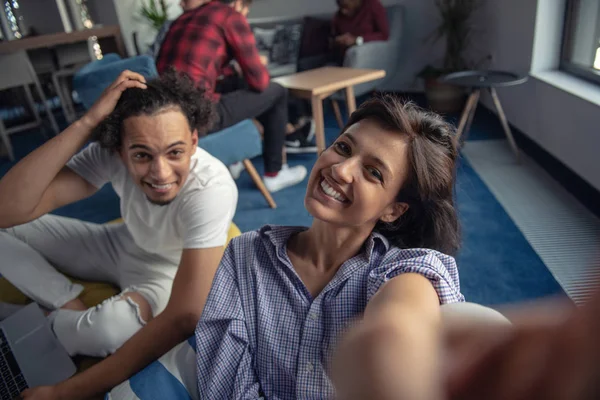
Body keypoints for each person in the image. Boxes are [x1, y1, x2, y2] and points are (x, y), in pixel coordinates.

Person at [194, 95, 465, 398]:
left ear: (394, 210)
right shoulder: (244, 254)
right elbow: (225, 387)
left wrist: (398, 342)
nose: (341, 170)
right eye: (343, 148)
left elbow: (406, 320)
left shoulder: (403, 273)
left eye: (373, 172)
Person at [0, 70, 238, 399]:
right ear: (119, 151)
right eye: (141, 155)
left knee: (108, 329)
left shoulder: (212, 187)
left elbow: (186, 316)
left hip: (167, 268)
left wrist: (63, 393)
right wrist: (87, 123)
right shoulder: (109, 154)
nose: (161, 173)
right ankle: (64, 303)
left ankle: (46, 322)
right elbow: (7, 208)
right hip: (119, 244)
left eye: (175, 152)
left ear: (194, 142)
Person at [156, 0, 312, 193]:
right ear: (239, 4)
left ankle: (237, 159)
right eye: (246, 11)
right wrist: (258, 63)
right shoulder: (229, 16)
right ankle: (275, 173)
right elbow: (259, 81)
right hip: (196, 117)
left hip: (164, 113)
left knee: (236, 84)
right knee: (277, 91)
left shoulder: (182, 19)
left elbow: (203, 69)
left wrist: (235, 69)